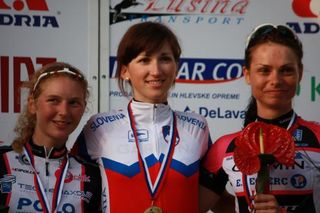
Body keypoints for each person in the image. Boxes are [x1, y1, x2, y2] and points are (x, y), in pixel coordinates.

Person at [71, 21, 212, 212]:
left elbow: (217, 197)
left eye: (165, 59)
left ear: (176, 67)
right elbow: (70, 193)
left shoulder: (197, 127)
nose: (156, 70)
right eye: (144, 60)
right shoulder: (99, 128)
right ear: (125, 71)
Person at [200, 23, 320, 213]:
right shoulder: (225, 147)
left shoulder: (317, 137)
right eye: (264, 70)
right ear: (247, 75)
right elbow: (190, 205)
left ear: (300, 73)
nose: (275, 80)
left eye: (286, 70)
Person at [0, 62, 102, 212]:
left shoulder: (92, 175)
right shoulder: (2, 161)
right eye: (54, 100)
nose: (64, 111)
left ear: (83, 108)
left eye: (74, 102)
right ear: (32, 104)